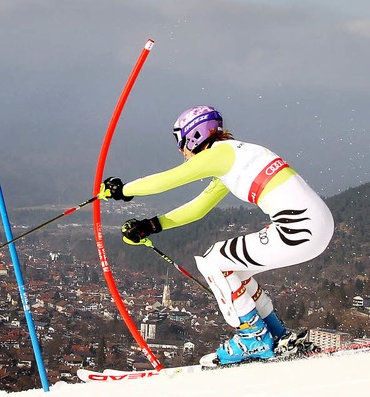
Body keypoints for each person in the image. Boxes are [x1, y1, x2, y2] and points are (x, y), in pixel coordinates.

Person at [100, 105, 334, 365]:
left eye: (181, 141)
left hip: (300, 227)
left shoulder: (219, 154)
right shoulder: (234, 155)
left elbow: (169, 180)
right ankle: (277, 335)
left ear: (194, 137)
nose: (181, 150)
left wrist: (122, 189)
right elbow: (199, 208)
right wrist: (152, 225)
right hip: (315, 224)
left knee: (213, 261)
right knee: (235, 272)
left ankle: (252, 338)